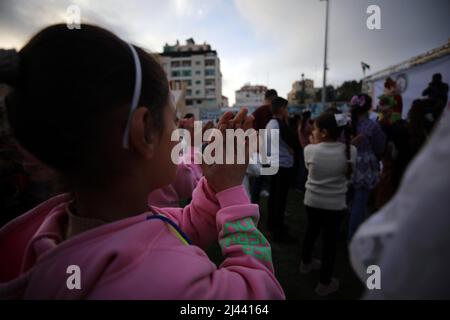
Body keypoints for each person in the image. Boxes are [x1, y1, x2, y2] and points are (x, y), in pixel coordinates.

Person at [0, 24, 285, 299]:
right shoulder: (165, 280)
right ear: (145, 130)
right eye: (172, 120)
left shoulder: (74, 226)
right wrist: (232, 192)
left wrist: (214, 184)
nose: (178, 134)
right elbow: (259, 294)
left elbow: (187, 224)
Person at [350, 107, 450, 299]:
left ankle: (353, 236)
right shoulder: (375, 126)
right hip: (375, 170)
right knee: (366, 203)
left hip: (361, 167)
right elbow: (380, 146)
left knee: (360, 202)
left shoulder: (358, 124)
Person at [300, 111, 357, 296]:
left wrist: (316, 145)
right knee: (329, 243)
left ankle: (305, 263)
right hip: (335, 205)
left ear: (323, 132)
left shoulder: (310, 149)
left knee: (311, 232)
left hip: (312, 201)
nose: (312, 131)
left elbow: (309, 168)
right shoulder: (351, 151)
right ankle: (325, 282)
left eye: (315, 129)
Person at [348, 94, 386, 240]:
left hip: (346, 162)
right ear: (369, 107)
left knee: (347, 201)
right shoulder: (372, 125)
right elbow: (379, 146)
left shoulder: (346, 123)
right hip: (365, 166)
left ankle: (344, 231)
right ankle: (353, 238)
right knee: (360, 203)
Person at [265, 97, 299, 242]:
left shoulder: (270, 123)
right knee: (280, 199)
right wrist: (293, 149)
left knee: (274, 197)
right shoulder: (280, 125)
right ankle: (278, 231)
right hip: (282, 165)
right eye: (286, 108)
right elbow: (296, 144)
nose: (288, 111)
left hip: (273, 163)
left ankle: (272, 224)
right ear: (281, 109)